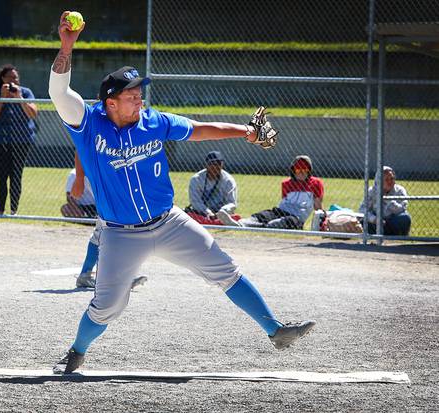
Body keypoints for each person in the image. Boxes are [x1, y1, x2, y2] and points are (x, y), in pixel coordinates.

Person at [48, 11, 315, 374]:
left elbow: (201, 129)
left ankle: (276, 330)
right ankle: (76, 352)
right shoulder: (88, 121)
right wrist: (67, 46)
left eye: (140, 92)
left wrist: (245, 131)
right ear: (110, 102)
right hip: (120, 233)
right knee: (108, 306)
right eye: (131, 94)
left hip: (170, 221)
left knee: (225, 269)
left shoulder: (154, 121)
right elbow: (58, 92)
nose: (139, 98)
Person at [69, 154, 148, 290]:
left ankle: (91, 275)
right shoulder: (96, 133)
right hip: (107, 183)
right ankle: (116, 278)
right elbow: (80, 148)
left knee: (106, 231)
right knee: (114, 230)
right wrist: (79, 178)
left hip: (116, 182)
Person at [0, 64, 38, 215]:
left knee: (16, 176)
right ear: (3, 79)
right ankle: (0, 211)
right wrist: (2, 98)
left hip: (22, 141)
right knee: (1, 177)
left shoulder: (25, 93)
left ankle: (13, 211)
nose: (14, 81)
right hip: (0, 140)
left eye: (16, 77)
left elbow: (33, 114)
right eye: (10, 77)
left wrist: (19, 98)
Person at [239, 155, 324, 230]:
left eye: (304, 170)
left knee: (284, 222)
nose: (301, 174)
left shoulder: (315, 183)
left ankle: (262, 226)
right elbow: (284, 203)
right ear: (293, 171)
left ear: (309, 171)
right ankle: (241, 223)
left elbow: (318, 207)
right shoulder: (286, 183)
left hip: (296, 217)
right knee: (263, 215)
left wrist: (322, 217)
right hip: (281, 211)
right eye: (298, 171)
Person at [186, 150, 240, 226]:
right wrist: (208, 212)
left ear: (222, 164)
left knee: (236, 217)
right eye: (212, 164)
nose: (215, 167)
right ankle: (217, 222)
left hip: (221, 213)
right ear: (206, 165)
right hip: (202, 213)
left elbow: (232, 203)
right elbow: (195, 202)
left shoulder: (228, 180)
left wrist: (222, 212)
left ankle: (221, 220)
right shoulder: (196, 179)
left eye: (218, 163)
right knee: (189, 216)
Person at [359, 166, 411, 236]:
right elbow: (362, 210)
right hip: (377, 222)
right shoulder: (372, 191)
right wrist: (374, 219)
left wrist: (388, 200)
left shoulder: (400, 190)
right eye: (386, 179)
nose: (390, 181)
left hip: (393, 220)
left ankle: (398, 237)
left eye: (392, 178)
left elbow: (402, 209)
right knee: (363, 221)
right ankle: (377, 236)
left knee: (405, 218)